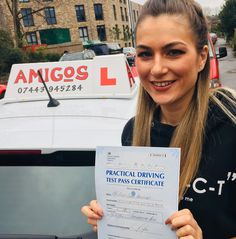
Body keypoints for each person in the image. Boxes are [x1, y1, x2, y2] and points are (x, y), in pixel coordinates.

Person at [81, 0, 236, 238]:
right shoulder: (132, 132)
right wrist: (111, 218)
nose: (156, 69)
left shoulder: (231, 125)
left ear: (202, 57)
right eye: (145, 54)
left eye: (173, 52)